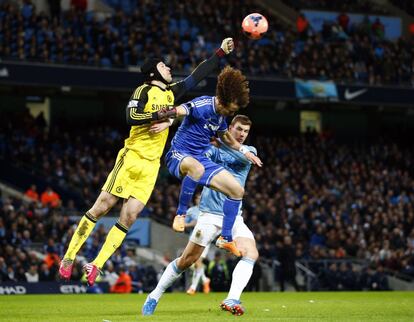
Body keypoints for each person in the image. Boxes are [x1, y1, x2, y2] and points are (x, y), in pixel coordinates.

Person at [58, 38, 236, 286]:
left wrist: (219, 53)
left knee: (129, 217)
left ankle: (96, 265)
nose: (169, 69)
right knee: (102, 207)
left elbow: (196, 76)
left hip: (152, 166)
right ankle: (68, 257)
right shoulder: (143, 91)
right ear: (154, 71)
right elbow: (131, 116)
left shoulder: (171, 92)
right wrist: (162, 115)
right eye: (164, 66)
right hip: (132, 158)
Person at [142, 115, 259, 316]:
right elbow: (199, 156)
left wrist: (219, 140)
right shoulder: (212, 149)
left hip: (233, 218)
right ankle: (154, 295)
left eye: (246, 131)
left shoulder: (249, 152)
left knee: (251, 253)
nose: (242, 135)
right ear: (229, 127)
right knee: (187, 261)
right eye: (239, 129)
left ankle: (232, 298)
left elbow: (240, 155)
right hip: (208, 216)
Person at [158, 66, 262, 257]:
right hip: (179, 155)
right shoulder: (204, 104)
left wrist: (243, 151)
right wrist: (168, 114)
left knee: (237, 191)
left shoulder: (221, 117)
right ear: (225, 100)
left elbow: (226, 138)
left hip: (199, 159)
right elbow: (184, 109)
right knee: (196, 168)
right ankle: (180, 214)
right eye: (233, 108)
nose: (232, 112)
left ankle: (226, 237)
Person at [184, 194, 210, 295]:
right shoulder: (190, 211)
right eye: (197, 198)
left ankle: (193, 287)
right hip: (193, 238)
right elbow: (184, 224)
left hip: (205, 238)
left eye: (200, 198)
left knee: (198, 261)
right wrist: (191, 224)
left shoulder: (208, 210)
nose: (199, 200)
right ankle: (205, 280)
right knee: (195, 262)